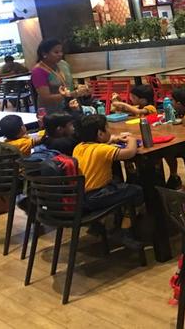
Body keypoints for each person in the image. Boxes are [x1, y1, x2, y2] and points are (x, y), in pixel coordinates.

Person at [72, 114, 145, 248]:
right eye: (107, 128)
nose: (109, 130)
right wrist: (132, 139)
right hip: (97, 196)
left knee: (116, 182)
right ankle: (125, 229)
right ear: (100, 134)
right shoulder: (102, 150)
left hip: (81, 197)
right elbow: (130, 152)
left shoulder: (78, 147)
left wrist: (115, 138)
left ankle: (99, 224)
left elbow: (103, 144)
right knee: (136, 191)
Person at [31, 39, 83, 113]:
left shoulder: (63, 64)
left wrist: (79, 88)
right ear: (44, 54)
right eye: (56, 52)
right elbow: (46, 98)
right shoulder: (38, 71)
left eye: (61, 51)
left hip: (71, 105)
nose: (60, 54)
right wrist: (73, 94)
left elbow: (68, 83)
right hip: (52, 113)